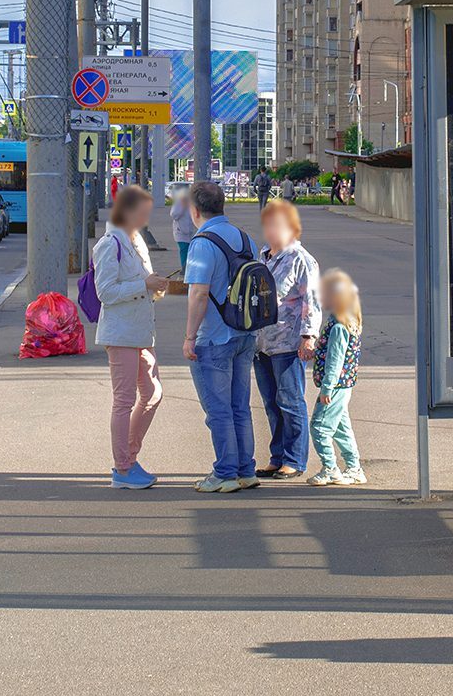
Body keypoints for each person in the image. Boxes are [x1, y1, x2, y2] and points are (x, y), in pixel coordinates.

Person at [182, 181, 259, 493]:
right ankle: (246, 470)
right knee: (240, 406)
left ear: (195, 210)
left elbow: (199, 294)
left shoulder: (202, 243)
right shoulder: (246, 238)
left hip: (214, 338)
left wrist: (190, 337)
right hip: (245, 332)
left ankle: (224, 473)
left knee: (218, 410)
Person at [94, 185, 170, 490]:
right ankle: (123, 468)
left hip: (140, 330)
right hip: (121, 332)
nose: (145, 219)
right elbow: (105, 292)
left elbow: (141, 282)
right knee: (124, 400)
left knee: (153, 393)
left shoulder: (135, 241)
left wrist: (155, 287)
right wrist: (144, 286)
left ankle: (129, 457)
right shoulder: (109, 244)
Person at [253, 200, 321, 480]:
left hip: (288, 342)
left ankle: (294, 460)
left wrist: (309, 336)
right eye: (268, 225)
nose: (271, 230)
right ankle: (277, 456)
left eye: (277, 225)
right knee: (271, 403)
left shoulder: (301, 259)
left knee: (290, 402)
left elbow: (312, 301)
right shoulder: (263, 256)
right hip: (262, 344)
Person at [308, 269, 366, 486]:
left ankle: (330, 469)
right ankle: (354, 468)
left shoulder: (339, 327)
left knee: (319, 427)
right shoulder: (349, 321)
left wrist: (326, 389)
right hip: (343, 386)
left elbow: (335, 361)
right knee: (341, 428)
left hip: (334, 387)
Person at [168, 180, 197, 266]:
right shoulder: (179, 202)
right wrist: (183, 207)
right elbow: (174, 214)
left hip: (189, 229)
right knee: (184, 249)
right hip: (180, 230)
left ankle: (187, 266)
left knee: (188, 250)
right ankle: (184, 268)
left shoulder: (190, 202)